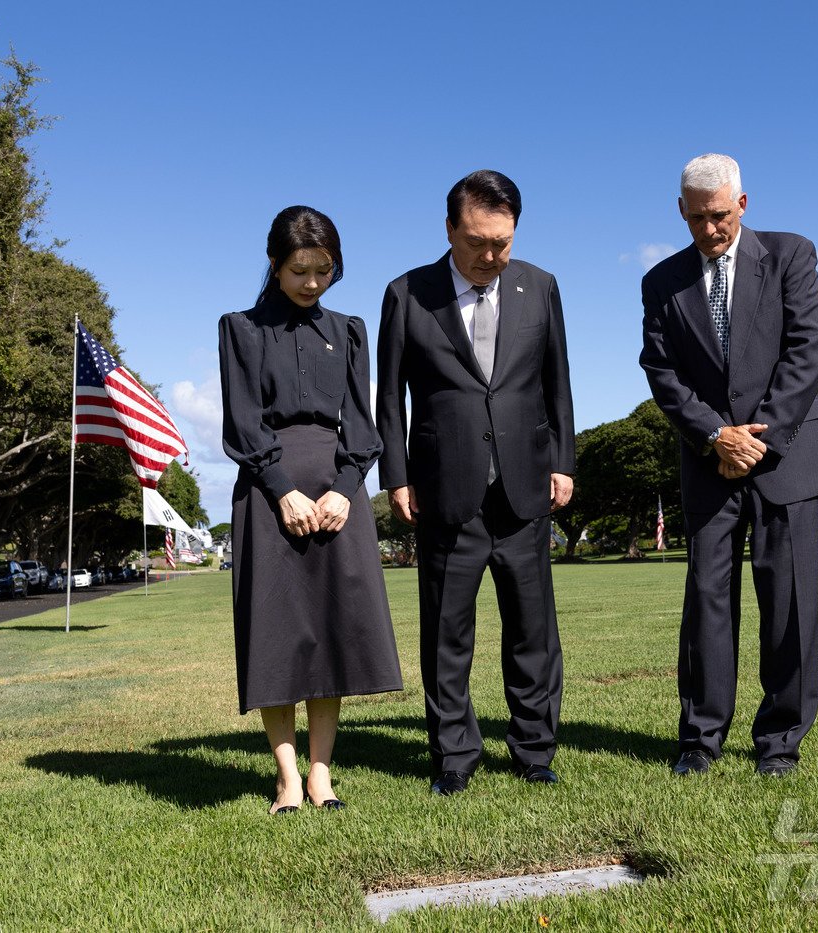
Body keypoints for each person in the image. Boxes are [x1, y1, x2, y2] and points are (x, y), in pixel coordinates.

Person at [639, 154, 818, 778]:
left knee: (790, 602)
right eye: (698, 218)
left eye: (721, 216)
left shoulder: (791, 254)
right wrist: (714, 436)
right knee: (707, 604)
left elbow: (810, 347)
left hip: (789, 457)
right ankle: (700, 739)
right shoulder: (660, 280)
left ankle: (780, 741)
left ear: (743, 205)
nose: (710, 230)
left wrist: (761, 437)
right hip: (709, 463)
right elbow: (661, 370)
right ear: (681, 211)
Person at [376, 170, 575, 795]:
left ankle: (534, 751)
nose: (491, 255)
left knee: (533, 632)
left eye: (503, 242)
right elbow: (390, 398)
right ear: (448, 229)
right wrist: (398, 476)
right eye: (477, 242)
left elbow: (557, 384)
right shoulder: (406, 293)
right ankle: (454, 759)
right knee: (446, 636)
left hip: (525, 489)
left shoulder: (540, 286)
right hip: (444, 490)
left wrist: (563, 462)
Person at [219, 206, 403, 814]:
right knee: (277, 637)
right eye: (301, 270)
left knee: (330, 635)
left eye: (325, 271)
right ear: (275, 265)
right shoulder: (240, 330)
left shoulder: (349, 330)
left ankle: (322, 777)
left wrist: (346, 489)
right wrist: (281, 488)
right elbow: (243, 421)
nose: (313, 283)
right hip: (267, 495)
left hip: (336, 496)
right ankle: (286, 779)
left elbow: (362, 420)